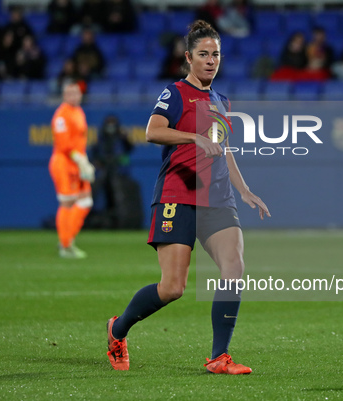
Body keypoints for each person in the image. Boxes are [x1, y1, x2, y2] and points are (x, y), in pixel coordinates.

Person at [106, 20, 270, 374]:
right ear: (188, 58)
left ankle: (219, 356)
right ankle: (117, 330)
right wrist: (193, 137)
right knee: (173, 288)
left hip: (218, 197)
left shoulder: (221, 101)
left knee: (234, 268)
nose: (211, 61)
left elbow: (224, 149)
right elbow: (153, 131)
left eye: (216, 54)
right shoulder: (176, 93)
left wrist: (244, 190)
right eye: (203, 54)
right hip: (178, 194)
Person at [49, 83, 95, 258]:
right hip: (64, 162)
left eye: (76, 93)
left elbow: (79, 141)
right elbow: (64, 145)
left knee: (85, 201)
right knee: (67, 202)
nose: (74, 96)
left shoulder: (79, 112)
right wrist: (79, 159)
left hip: (78, 161)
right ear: (64, 95)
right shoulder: (61, 115)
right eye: (70, 93)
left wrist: (84, 161)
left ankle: (69, 240)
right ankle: (65, 245)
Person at [89, 114, 133, 225]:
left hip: (117, 172)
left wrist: (125, 137)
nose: (111, 126)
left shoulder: (121, 138)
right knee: (97, 195)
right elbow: (94, 154)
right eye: (109, 123)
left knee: (118, 196)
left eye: (113, 123)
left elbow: (129, 149)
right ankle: (93, 220)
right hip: (103, 172)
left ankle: (121, 221)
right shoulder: (100, 138)